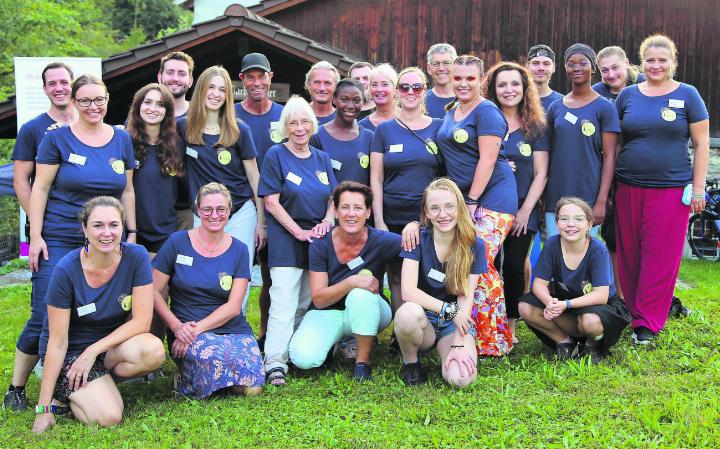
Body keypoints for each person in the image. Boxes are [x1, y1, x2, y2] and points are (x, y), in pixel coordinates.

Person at [28, 75, 137, 387]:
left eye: (99, 99)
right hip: (61, 237)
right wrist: (35, 237)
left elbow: (127, 191)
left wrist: (132, 231)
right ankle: (48, 382)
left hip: (106, 239)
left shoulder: (121, 139)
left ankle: (94, 370)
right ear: (74, 103)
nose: (94, 106)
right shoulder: (57, 139)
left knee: (107, 306)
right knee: (49, 311)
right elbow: (41, 188)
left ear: (107, 101)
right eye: (86, 100)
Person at [412, 55, 517, 357]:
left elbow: (487, 159)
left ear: (481, 80)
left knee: (479, 268)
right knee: (471, 267)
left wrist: (470, 201)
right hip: (464, 201)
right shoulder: (451, 110)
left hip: (492, 200)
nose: (463, 83)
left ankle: (493, 341)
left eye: (470, 78)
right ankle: (479, 334)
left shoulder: (487, 113)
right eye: (458, 78)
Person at [32, 197, 164, 433]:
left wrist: (93, 351)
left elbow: (142, 321)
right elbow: (57, 342)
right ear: (84, 229)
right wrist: (43, 408)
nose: (107, 233)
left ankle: (96, 384)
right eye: (98, 225)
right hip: (71, 353)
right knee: (109, 417)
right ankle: (62, 397)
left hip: (105, 348)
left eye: (114, 225)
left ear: (122, 227)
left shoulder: (136, 256)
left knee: (153, 351)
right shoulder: (66, 270)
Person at [614, 34, 709, 344]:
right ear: (642, 63)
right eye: (650, 60)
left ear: (673, 62)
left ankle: (648, 323)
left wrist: (698, 189)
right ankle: (632, 309)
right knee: (630, 252)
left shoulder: (688, 95)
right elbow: (614, 142)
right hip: (628, 185)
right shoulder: (627, 95)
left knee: (661, 256)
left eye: (662, 60)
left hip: (670, 190)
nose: (656, 66)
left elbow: (702, 143)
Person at [5, 62, 77, 411]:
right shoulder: (34, 129)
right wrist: (37, 226)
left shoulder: (89, 126)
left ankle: (68, 382)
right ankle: (16, 388)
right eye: (54, 83)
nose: (60, 87)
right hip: (50, 235)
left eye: (65, 81)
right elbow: (22, 181)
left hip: (90, 237)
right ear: (45, 88)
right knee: (44, 313)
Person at [152, 183, 264, 398]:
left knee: (253, 389)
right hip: (185, 329)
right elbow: (153, 291)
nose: (214, 215)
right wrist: (177, 328)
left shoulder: (239, 249)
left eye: (221, 209)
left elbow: (233, 307)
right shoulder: (177, 242)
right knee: (209, 358)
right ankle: (194, 377)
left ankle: (214, 379)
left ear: (229, 210)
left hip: (229, 328)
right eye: (207, 210)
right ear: (198, 210)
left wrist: (197, 329)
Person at [259, 95, 338, 385]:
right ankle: (274, 363)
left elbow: (333, 198)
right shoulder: (275, 155)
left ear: (313, 125)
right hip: (286, 238)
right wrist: (298, 232)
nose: (300, 128)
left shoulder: (322, 159)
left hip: (317, 241)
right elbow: (271, 202)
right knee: (283, 302)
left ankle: (292, 354)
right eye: (293, 123)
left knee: (305, 301)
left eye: (305, 121)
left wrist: (327, 223)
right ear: (285, 127)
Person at [289, 182, 401, 380]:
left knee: (361, 294)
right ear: (336, 211)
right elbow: (319, 299)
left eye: (358, 208)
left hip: (370, 310)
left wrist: (413, 226)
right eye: (345, 207)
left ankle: (362, 362)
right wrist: (351, 281)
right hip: (328, 311)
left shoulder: (381, 240)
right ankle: (332, 344)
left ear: (368, 213)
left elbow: (421, 243)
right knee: (303, 359)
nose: (351, 214)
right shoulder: (320, 244)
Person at [177, 66, 265, 313]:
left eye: (222, 89)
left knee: (238, 273)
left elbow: (254, 178)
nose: (216, 94)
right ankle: (204, 325)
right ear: (201, 90)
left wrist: (261, 222)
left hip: (239, 213)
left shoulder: (239, 129)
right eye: (211, 87)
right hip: (201, 213)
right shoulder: (183, 128)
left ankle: (236, 325)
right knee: (202, 270)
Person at [395, 178, 486, 387]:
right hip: (423, 320)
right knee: (407, 312)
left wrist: (458, 344)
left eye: (449, 207)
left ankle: (446, 349)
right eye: (434, 208)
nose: (442, 215)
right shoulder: (416, 238)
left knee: (460, 379)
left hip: (454, 324)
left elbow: (466, 296)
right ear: (426, 212)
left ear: (460, 208)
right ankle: (411, 363)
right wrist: (449, 310)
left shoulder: (474, 245)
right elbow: (408, 291)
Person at [518, 197, 631, 362]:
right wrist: (550, 302)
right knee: (525, 306)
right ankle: (564, 342)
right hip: (565, 305)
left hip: (599, 309)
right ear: (557, 224)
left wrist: (566, 305)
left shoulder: (597, 249)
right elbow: (539, 284)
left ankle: (594, 345)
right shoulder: (551, 245)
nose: (571, 224)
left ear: (589, 224)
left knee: (590, 321)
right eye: (564, 219)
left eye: (578, 219)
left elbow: (601, 295)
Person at [484, 62, 549, 343]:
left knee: (512, 265)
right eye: (502, 85)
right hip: (489, 208)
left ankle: (510, 322)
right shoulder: (485, 119)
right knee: (487, 265)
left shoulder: (535, 127)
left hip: (523, 209)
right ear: (492, 89)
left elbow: (541, 173)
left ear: (525, 89)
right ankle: (486, 320)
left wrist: (525, 211)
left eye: (514, 84)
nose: (508, 90)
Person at [370, 67, 443, 313]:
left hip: (430, 217)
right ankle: (401, 332)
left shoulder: (439, 128)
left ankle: (428, 326)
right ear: (397, 92)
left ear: (425, 92)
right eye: (404, 87)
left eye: (417, 87)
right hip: (392, 216)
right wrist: (379, 221)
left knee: (428, 274)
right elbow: (376, 179)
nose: (410, 92)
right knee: (398, 276)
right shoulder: (384, 130)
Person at [234, 52, 284, 348]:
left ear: (270, 77)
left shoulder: (283, 115)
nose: (256, 82)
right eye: (249, 76)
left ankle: (265, 333)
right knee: (236, 272)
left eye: (261, 76)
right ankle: (235, 331)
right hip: (241, 205)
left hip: (277, 206)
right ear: (242, 80)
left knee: (270, 276)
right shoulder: (232, 115)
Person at [544, 44, 619, 238]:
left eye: (583, 63)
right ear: (565, 69)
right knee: (555, 256)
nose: (577, 68)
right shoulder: (555, 108)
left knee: (583, 258)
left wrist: (602, 200)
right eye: (571, 64)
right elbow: (547, 154)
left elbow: (610, 156)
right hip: (556, 196)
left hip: (588, 197)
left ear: (593, 68)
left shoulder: (605, 108)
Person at [126, 83, 183, 256]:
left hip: (166, 234)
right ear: (138, 106)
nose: (153, 108)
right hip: (132, 233)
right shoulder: (123, 141)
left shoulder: (178, 143)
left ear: (168, 111)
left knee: (161, 284)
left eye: (160, 104)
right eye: (147, 102)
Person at [310, 78, 374, 186]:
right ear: (334, 99)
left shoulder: (369, 137)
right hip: (329, 202)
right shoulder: (317, 136)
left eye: (357, 100)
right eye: (344, 99)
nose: (350, 106)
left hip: (361, 202)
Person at [157, 51, 195, 232]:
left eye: (181, 73)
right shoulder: (144, 114)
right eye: (170, 72)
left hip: (189, 212)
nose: (175, 78)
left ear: (190, 80)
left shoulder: (199, 117)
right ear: (160, 76)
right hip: (150, 212)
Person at [358, 63, 398, 132]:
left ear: (395, 88)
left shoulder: (409, 119)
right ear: (369, 89)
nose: (379, 89)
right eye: (374, 85)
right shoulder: (361, 127)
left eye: (384, 84)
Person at [425, 43, 457, 119]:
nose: (441, 68)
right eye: (436, 64)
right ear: (429, 68)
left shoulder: (467, 100)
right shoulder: (421, 101)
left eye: (447, 63)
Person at [526, 45, 564, 111]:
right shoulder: (517, 100)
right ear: (527, 67)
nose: (541, 68)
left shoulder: (563, 103)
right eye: (535, 63)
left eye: (546, 64)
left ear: (554, 68)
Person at [306, 60, 340, 125]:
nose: (322, 88)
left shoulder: (344, 120)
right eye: (317, 82)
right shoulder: (295, 116)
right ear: (308, 85)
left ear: (336, 87)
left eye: (328, 83)